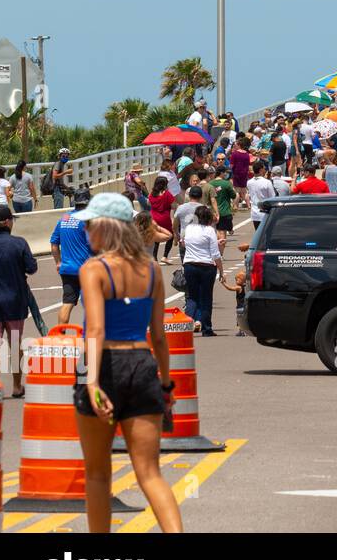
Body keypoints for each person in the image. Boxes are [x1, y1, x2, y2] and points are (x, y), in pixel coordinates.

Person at [68, 193, 182, 533]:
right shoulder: (150, 269)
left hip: (103, 366)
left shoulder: (94, 269)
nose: (86, 231)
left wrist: (90, 382)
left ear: (105, 228)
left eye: (90, 224)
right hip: (142, 364)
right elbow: (159, 336)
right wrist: (166, 384)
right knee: (149, 472)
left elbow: (97, 329)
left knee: (98, 473)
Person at [0, 205, 36, 397]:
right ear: (8, 222)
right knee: (15, 344)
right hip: (15, 302)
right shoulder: (19, 243)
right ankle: (17, 386)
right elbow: (32, 268)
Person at [181, 204, 229, 336]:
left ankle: (185, 326)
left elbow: (183, 242)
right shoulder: (209, 231)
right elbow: (215, 254)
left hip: (190, 264)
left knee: (192, 297)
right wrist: (221, 271)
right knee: (206, 298)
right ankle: (206, 328)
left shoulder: (189, 228)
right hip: (207, 266)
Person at [50, 190, 94, 324]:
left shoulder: (64, 218)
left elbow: (54, 243)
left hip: (67, 268)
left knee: (67, 302)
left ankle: (60, 335)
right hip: (86, 269)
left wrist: (58, 262)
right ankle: (91, 336)